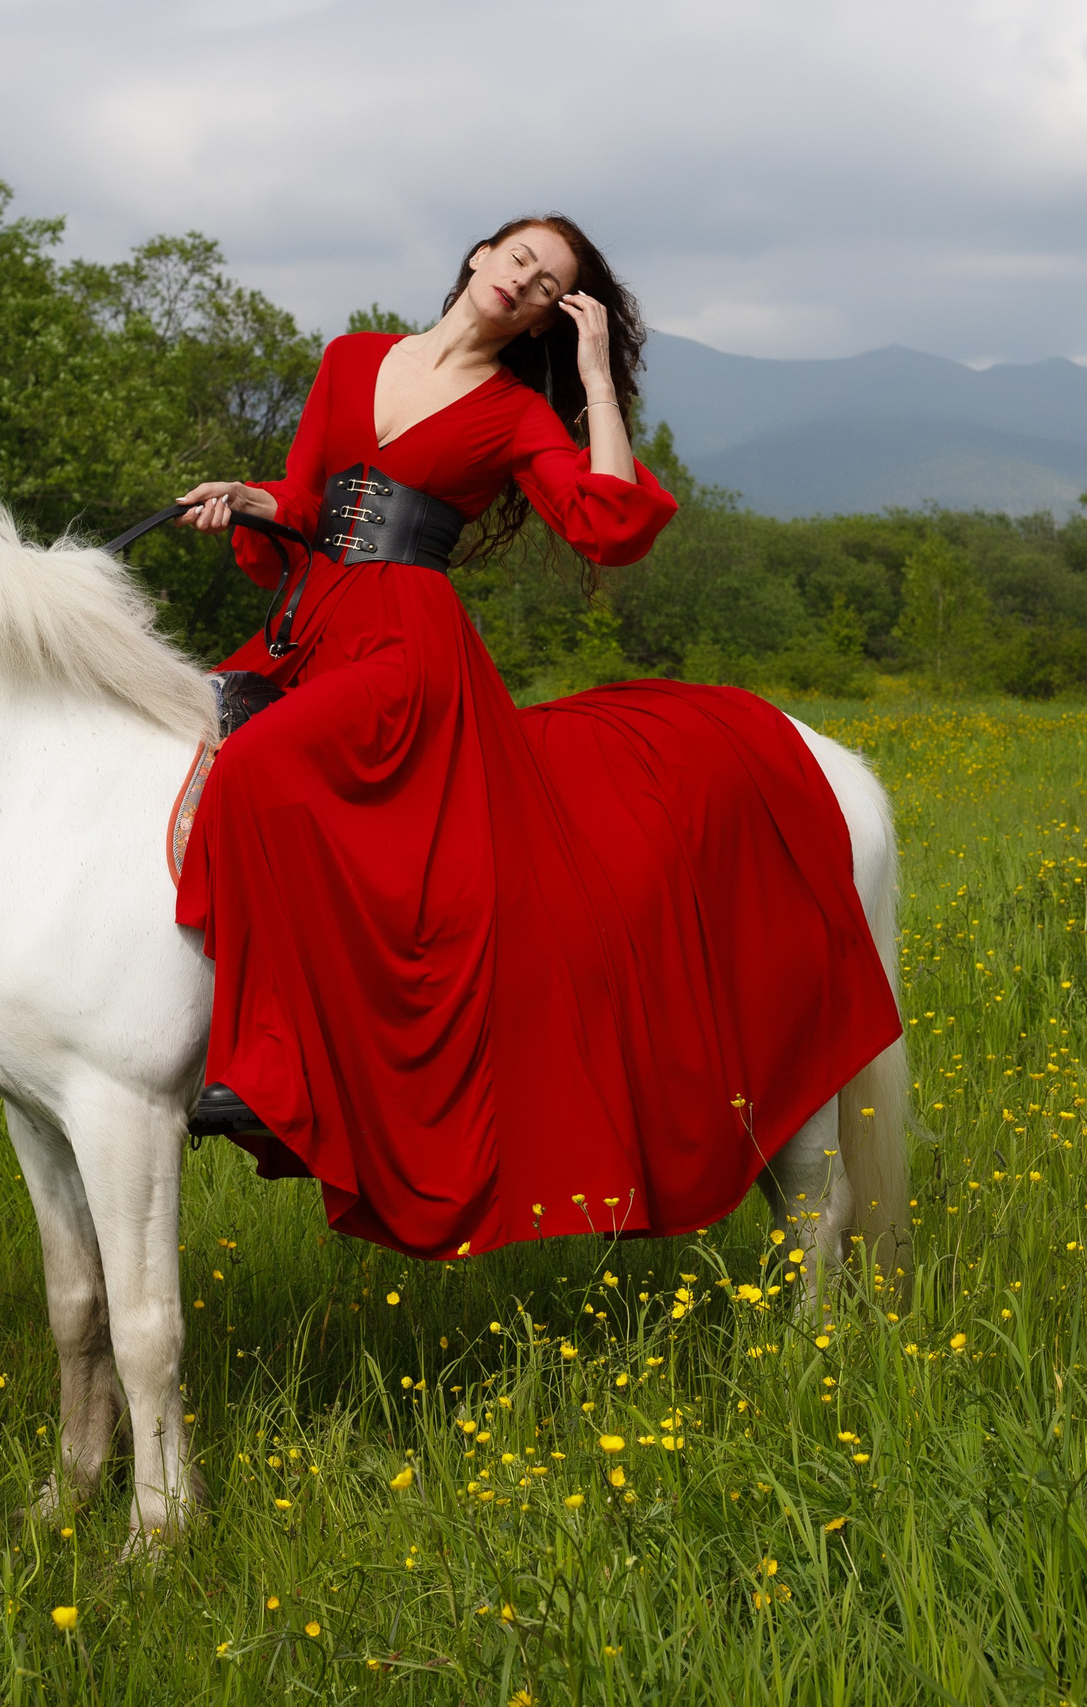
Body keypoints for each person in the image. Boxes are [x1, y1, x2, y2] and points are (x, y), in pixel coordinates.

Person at [172, 213, 901, 1261]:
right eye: (517, 258)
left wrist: (597, 376)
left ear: (544, 319)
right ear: (478, 258)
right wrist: (249, 499)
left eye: (548, 283)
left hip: (402, 649)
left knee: (261, 770)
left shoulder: (516, 415)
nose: (522, 280)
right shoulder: (351, 358)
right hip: (310, 622)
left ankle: (256, 1070)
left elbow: (606, 521)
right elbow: (305, 494)